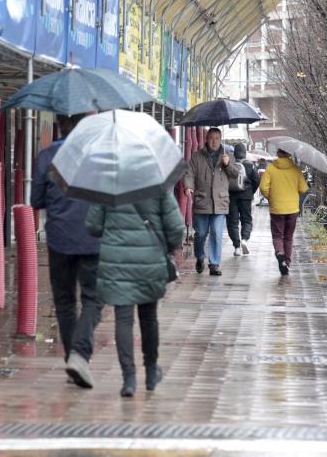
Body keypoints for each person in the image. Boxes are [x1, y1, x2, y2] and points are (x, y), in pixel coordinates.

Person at [85, 193, 185, 397]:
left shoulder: (109, 184)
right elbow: (176, 227)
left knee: (123, 319)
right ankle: (150, 371)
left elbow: (93, 226)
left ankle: (129, 378)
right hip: (150, 260)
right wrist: (170, 247)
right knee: (148, 318)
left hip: (117, 261)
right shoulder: (157, 184)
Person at [31, 114, 102, 389]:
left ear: (59, 126)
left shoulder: (47, 156)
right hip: (92, 238)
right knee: (94, 298)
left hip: (59, 239)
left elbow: (36, 200)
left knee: (64, 302)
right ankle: (79, 355)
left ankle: (75, 357)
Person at [183, 128, 238, 276]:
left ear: (220, 140)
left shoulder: (227, 156)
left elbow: (235, 175)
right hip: (202, 200)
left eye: (217, 138)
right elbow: (189, 173)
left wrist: (227, 164)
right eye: (211, 138)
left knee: (217, 233)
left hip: (220, 202)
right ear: (206, 139)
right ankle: (200, 257)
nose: (214, 141)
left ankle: (214, 264)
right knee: (200, 234)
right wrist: (188, 187)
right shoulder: (196, 156)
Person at [259, 149, 308, 275]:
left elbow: (263, 187)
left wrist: (271, 197)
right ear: (289, 154)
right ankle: (287, 262)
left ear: (278, 153)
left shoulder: (270, 168)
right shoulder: (296, 169)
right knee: (288, 237)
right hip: (292, 209)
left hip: (276, 208)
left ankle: (280, 253)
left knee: (277, 235)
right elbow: (303, 189)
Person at [227, 142, 260, 256]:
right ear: (244, 153)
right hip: (246, 196)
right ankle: (244, 240)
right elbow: (256, 180)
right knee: (246, 220)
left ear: (234, 153)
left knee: (232, 222)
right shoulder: (250, 165)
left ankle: (236, 247)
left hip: (232, 196)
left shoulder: (230, 165)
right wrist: (251, 192)